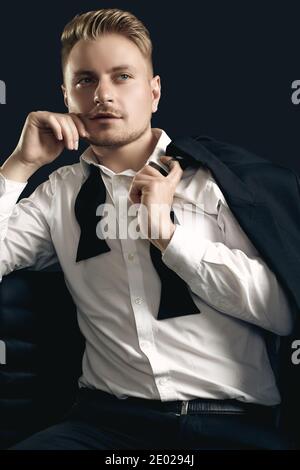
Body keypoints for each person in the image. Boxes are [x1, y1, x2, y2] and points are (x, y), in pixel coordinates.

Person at [0, 8, 294, 450]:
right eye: (85, 80)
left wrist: (170, 236)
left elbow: (282, 313)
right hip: (105, 425)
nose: (102, 94)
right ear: (66, 96)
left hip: (230, 423)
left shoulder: (215, 181)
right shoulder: (58, 195)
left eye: (122, 77)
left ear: (154, 92)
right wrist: (19, 167)